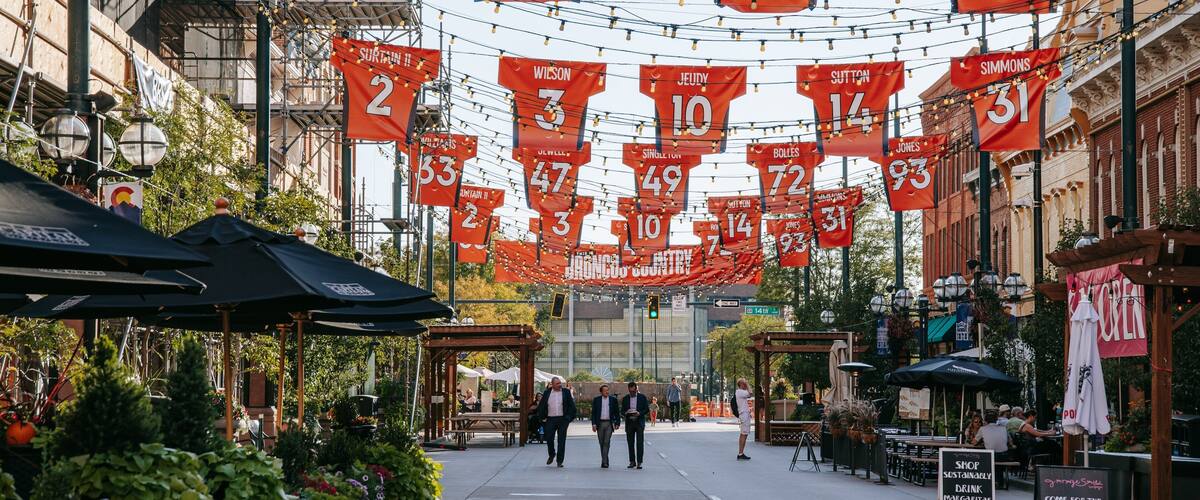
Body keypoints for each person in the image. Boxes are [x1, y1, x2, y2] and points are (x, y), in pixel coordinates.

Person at [536, 377, 576, 467]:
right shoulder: (547, 393)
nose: (559, 385)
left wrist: (568, 418)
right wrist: (542, 418)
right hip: (550, 419)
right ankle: (552, 454)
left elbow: (571, 406)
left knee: (561, 440)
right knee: (549, 438)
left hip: (563, 419)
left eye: (560, 383)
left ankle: (559, 461)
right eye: (557, 383)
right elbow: (542, 406)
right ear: (552, 384)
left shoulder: (566, 392)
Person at [621, 381, 650, 469]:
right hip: (629, 422)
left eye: (634, 391)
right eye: (631, 391)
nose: (632, 393)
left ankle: (639, 462)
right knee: (630, 443)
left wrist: (639, 413)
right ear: (628, 389)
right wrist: (626, 413)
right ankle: (632, 461)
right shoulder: (625, 398)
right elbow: (622, 410)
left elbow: (646, 409)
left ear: (636, 389)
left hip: (639, 422)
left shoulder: (642, 397)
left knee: (639, 443)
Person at [591, 384, 621, 468]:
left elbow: (617, 412)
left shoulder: (613, 400)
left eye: (608, 390)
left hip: (609, 423)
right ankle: (605, 459)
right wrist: (593, 424)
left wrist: (617, 423)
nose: (607, 392)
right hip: (599, 423)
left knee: (606, 442)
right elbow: (593, 413)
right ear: (601, 392)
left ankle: (604, 462)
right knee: (601, 442)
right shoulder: (596, 400)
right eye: (605, 390)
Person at [735, 378, 752, 460]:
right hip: (744, 414)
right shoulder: (740, 392)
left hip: (744, 414)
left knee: (743, 434)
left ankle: (741, 452)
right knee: (744, 433)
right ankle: (740, 453)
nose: (745, 385)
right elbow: (750, 393)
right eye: (744, 384)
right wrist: (747, 383)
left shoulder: (740, 392)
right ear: (741, 384)